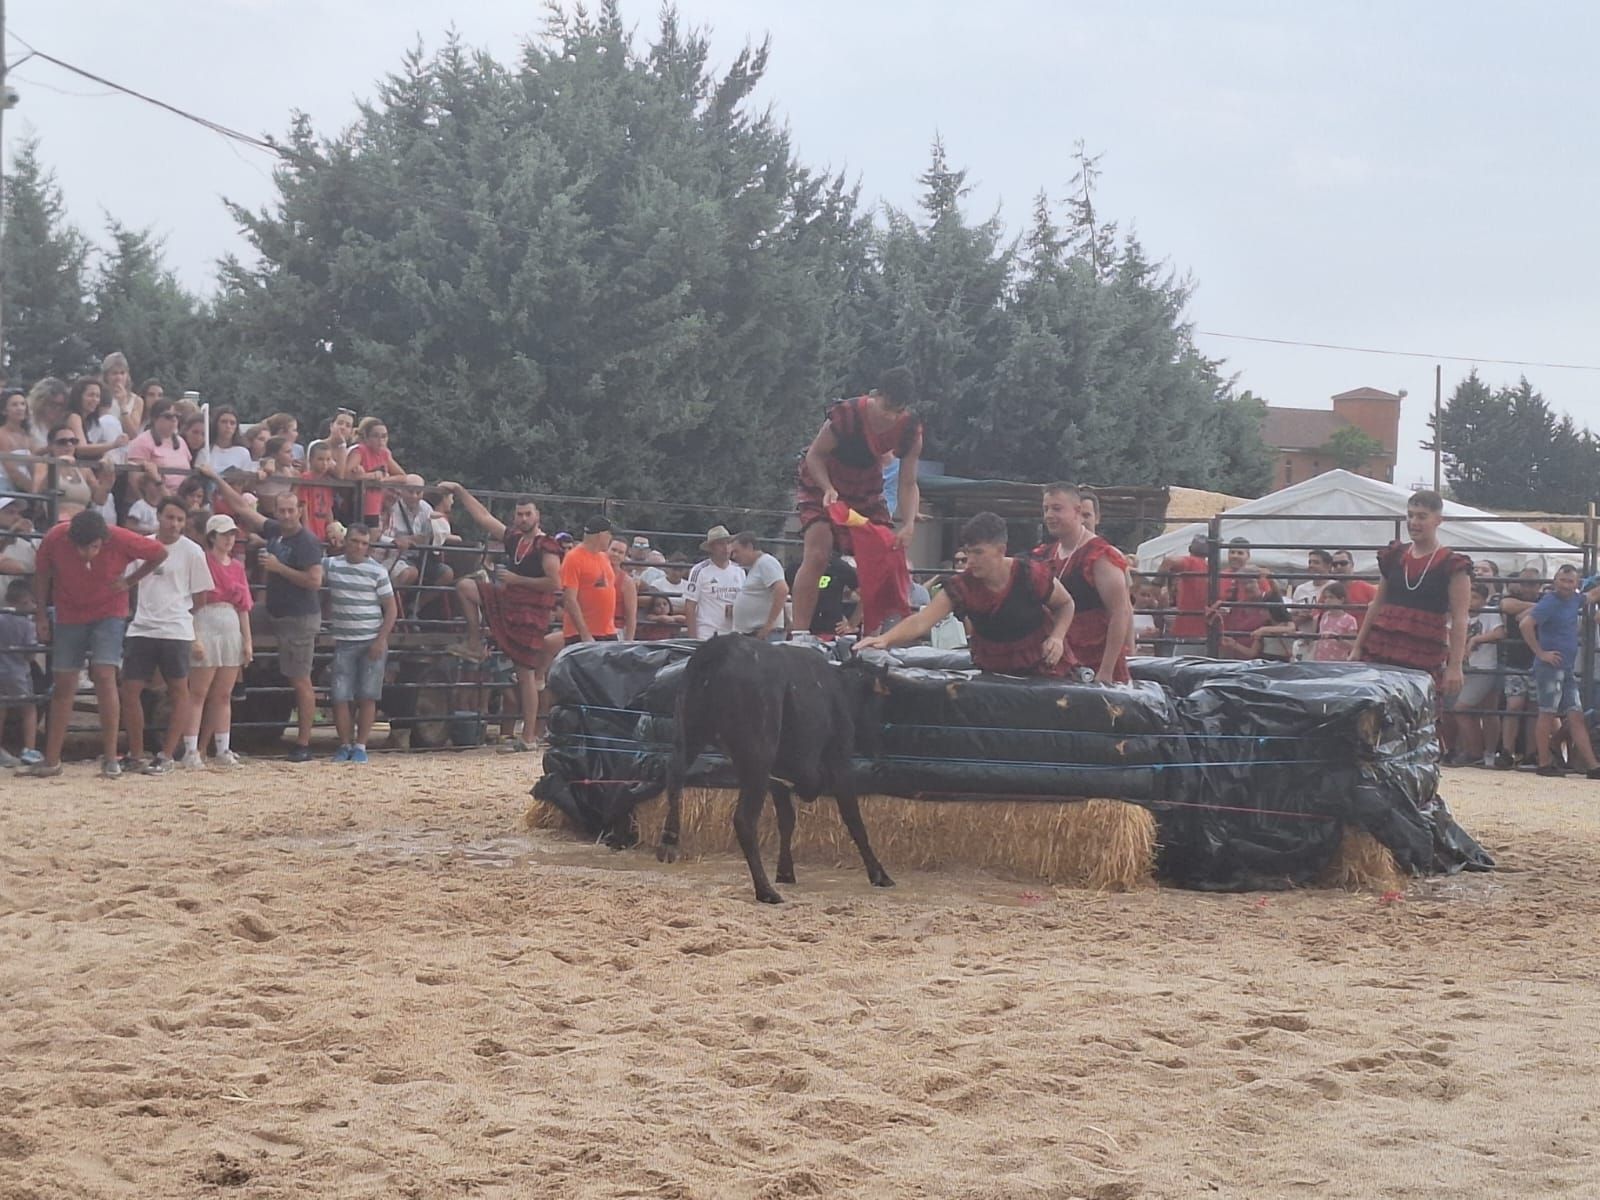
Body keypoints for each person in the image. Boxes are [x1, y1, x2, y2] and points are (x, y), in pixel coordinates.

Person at [25, 510, 167, 778]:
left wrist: (130, 581)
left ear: (103, 539)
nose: (87, 554)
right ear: (71, 540)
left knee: (104, 675)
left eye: (94, 547)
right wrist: (41, 614)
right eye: (82, 547)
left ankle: (111, 758)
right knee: (64, 682)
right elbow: (41, 574)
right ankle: (52, 759)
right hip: (69, 613)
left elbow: (159, 552)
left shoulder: (118, 537)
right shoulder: (55, 538)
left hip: (108, 612)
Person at [859, 511, 1075, 676]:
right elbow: (921, 621)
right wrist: (884, 640)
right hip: (993, 669)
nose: (971, 561)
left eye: (979, 553)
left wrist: (1057, 637)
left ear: (1001, 550)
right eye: (969, 552)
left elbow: (1066, 604)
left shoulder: (1031, 574)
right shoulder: (962, 586)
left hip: (1043, 667)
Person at [792, 366, 922, 635]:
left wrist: (909, 523)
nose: (890, 416)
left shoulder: (910, 429)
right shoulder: (847, 414)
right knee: (818, 552)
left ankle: (872, 636)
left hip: (865, 486)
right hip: (824, 477)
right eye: (887, 407)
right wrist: (827, 488)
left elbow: (908, 483)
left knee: (885, 555)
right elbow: (814, 455)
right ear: (877, 395)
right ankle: (799, 634)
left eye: (897, 410)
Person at [444, 484, 565, 750]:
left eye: (528, 514)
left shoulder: (546, 545)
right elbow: (484, 518)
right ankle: (474, 643)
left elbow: (554, 582)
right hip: (509, 601)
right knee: (466, 586)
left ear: (537, 515)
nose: (523, 518)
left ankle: (529, 737)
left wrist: (516, 579)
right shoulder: (515, 539)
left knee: (526, 674)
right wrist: (460, 491)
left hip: (531, 612)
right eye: (519, 514)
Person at [212, 479, 326, 761]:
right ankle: (237, 680)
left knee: (300, 680)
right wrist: (216, 478)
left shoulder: (307, 541)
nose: (286, 515)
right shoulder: (275, 531)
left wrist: (279, 567)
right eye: (281, 511)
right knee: (235, 619)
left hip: (299, 617)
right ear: (276, 511)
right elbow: (242, 509)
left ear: (299, 510)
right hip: (273, 611)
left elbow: (315, 581)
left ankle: (303, 744)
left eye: (290, 510)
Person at [119, 498, 215, 772]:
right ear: (159, 516)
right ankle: (136, 753)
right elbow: (128, 581)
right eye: (170, 517)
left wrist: (181, 614)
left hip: (176, 629)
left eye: (180, 520)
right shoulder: (142, 545)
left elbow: (200, 596)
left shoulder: (192, 551)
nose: (174, 524)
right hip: (143, 626)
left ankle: (166, 755)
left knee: (178, 691)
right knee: (130, 690)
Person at [1352, 490, 1471, 700]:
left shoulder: (1453, 564)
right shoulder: (1393, 556)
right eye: (1410, 515)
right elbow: (1376, 604)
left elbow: (1460, 618)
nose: (1414, 522)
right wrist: (1357, 647)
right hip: (1381, 645)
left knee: (1418, 708)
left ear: (1438, 520)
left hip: (1424, 650)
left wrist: (1455, 666)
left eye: (1422, 516)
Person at [1037, 482, 1133, 683]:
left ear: (1077, 511)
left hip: (1095, 661)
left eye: (1057, 508)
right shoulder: (1046, 553)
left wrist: (1106, 671)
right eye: (1046, 509)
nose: (1049, 515)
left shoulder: (1101, 555)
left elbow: (1120, 613)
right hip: (1057, 658)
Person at [323, 524, 397, 764]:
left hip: (370, 639)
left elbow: (391, 609)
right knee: (340, 696)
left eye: (364, 543)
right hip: (344, 640)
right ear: (346, 541)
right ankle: (345, 744)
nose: (359, 547)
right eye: (355, 541)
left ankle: (361, 745)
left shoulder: (377, 571)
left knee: (367, 695)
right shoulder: (332, 565)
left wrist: (381, 639)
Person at [1519, 564, 1600, 779]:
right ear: (1555, 581)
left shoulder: (1573, 599)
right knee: (1548, 713)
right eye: (1562, 580)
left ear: (1576, 583)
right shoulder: (1550, 602)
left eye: (1569, 581)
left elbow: (1592, 595)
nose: (1565, 585)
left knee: (1574, 715)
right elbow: (1526, 624)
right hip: (1551, 667)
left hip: (1564, 667)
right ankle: (1544, 762)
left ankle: (1592, 766)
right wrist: (1541, 653)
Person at [189, 514, 253, 767]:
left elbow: (244, 606)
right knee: (199, 692)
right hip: (206, 621)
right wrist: (194, 636)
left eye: (232, 534)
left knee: (223, 694)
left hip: (230, 625)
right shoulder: (201, 562)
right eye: (224, 534)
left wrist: (247, 641)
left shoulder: (237, 567)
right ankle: (191, 749)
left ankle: (222, 747)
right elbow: (193, 602)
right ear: (212, 536)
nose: (229, 539)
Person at [1448, 580, 1504, 767]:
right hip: (1465, 669)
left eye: (1475, 597)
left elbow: (1500, 633)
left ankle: (1476, 752)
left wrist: (1475, 640)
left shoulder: (1490, 613)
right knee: (1479, 710)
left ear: (1484, 600)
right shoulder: (1457, 612)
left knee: (1463, 709)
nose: (1471, 601)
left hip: (1484, 669)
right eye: (1469, 596)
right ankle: (1477, 751)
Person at [1493, 567, 1542, 769]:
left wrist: (1531, 610)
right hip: (1516, 662)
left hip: (1539, 662)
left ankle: (1531, 753)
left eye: (1532, 583)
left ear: (1540, 585)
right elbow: (1507, 606)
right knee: (1513, 706)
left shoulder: (1546, 599)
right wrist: (1538, 608)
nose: (1527, 587)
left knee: (1534, 708)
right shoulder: (1512, 598)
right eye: (1524, 583)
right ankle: (1507, 751)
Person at [559, 515, 620, 643]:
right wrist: (584, 634)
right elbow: (570, 599)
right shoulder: (573, 558)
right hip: (583, 634)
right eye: (610, 535)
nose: (610, 539)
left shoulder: (604, 557)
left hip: (607, 632)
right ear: (601, 535)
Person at [0, 577, 41, 766]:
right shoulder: (27, 624)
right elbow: (30, 654)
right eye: (30, 602)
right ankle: (29, 749)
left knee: (2, 707)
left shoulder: (1, 618)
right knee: (29, 709)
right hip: (18, 672)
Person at [683, 525, 745, 640]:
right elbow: (690, 605)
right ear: (711, 548)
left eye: (728, 543)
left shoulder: (739, 571)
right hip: (707, 634)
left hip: (733, 634)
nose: (726, 548)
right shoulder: (699, 570)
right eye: (720, 544)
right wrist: (693, 638)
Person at [343, 417, 405, 523]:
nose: (380, 440)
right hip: (356, 504)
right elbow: (346, 474)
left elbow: (403, 477)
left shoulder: (385, 454)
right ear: (367, 438)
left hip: (375, 506)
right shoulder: (360, 451)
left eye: (384, 436)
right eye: (376, 436)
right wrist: (372, 476)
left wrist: (384, 479)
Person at [728, 532, 789, 640]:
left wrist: (768, 625)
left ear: (749, 547)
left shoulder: (766, 562)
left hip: (765, 634)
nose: (734, 556)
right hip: (753, 633)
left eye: (736, 551)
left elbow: (782, 590)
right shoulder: (756, 566)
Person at [1159, 535, 1212, 653]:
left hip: (1189, 630)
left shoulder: (1191, 562)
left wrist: (1156, 584)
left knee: (1181, 662)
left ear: (1189, 548)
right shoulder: (1208, 568)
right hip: (1202, 628)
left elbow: (1169, 561)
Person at [126, 398, 193, 483]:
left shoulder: (181, 442)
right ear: (154, 418)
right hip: (157, 489)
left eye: (177, 416)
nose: (174, 420)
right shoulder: (141, 442)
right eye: (168, 416)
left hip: (185, 490)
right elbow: (135, 480)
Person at [295, 440, 342, 544]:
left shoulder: (327, 480)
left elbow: (328, 508)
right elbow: (303, 506)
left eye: (328, 459)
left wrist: (331, 528)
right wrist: (306, 531)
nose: (325, 463)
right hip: (310, 528)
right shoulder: (305, 478)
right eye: (320, 459)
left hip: (322, 530)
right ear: (311, 460)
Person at [1311, 580, 1359, 662]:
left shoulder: (1350, 620)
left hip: (1338, 662)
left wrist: (1337, 638)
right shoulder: (1323, 616)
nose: (1327, 600)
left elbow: (1353, 645)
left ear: (1341, 599)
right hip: (1320, 660)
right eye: (1325, 597)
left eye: (1331, 597)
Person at [604, 537, 640, 640]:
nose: (616, 554)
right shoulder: (593, 573)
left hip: (615, 630)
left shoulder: (627, 582)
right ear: (606, 550)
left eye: (620, 552)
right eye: (613, 550)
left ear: (624, 557)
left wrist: (628, 643)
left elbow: (631, 617)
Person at [202, 406, 254, 476]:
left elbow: (247, 479)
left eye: (232, 423)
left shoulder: (243, 453)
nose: (228, 426)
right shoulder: (205, 451)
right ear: (216, 424)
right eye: (223, 422)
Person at [102, 352, 143, 439]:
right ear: (106, 376)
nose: (119, 378)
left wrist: (122, 406)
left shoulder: (136, 401)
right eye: (114, 373)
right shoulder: (99, 397)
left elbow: (133, 435)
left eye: (122, 373)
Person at [1328, 550, 1378, 619]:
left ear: (1352, 564)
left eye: (1343, 563)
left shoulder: (1366, 589)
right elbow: (1317, 614)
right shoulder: (1329, 590)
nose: (1338, 567)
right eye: (1335, 564)